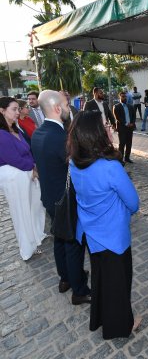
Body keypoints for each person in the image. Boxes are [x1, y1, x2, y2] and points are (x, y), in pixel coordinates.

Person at [68, 111, 141, 339]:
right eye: (106, 125)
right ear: (97, 133)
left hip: (91, 232)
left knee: (101, 278)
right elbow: (134, 203)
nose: (110, 127)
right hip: (113, 235)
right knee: (118, 283)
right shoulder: (110, 167)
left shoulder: (74, 162)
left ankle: (99, 317)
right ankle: (120, 326)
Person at [31, 90, 90, 305]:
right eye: (66, 105)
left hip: (49, 198)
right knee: (73, 244)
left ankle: (64, 279)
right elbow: (78, 165)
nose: (68, 109)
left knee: (59, 238)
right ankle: (79, 290)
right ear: (57, 108)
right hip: (65, 201)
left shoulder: (38, 133)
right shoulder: (59, 137)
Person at [0, 97, 46, 260]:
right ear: (2, 111)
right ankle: (27, 249)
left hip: (26, 173)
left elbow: (27, 150)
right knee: (21, 212)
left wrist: (33, 165)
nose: (17, 112)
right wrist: (32, 167)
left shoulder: (15, 129)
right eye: (14, 109)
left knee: (35, 205)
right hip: (14, 177)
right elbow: (13, 158)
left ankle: (37, 236)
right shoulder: (2, 134)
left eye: (18, 109)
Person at [113, 91, 135, 163]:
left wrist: (132, 123)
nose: (124, 98)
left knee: (129, 143)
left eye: (125, 96)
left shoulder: (130, 106)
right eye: (122, 96)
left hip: (130, 128)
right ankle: (120, 159)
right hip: (122, 128)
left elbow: (133, 116)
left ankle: (127, 158)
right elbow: (117, 117)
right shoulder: (116, 107)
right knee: (122, 144)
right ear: (120, 97)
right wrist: (125, 123)